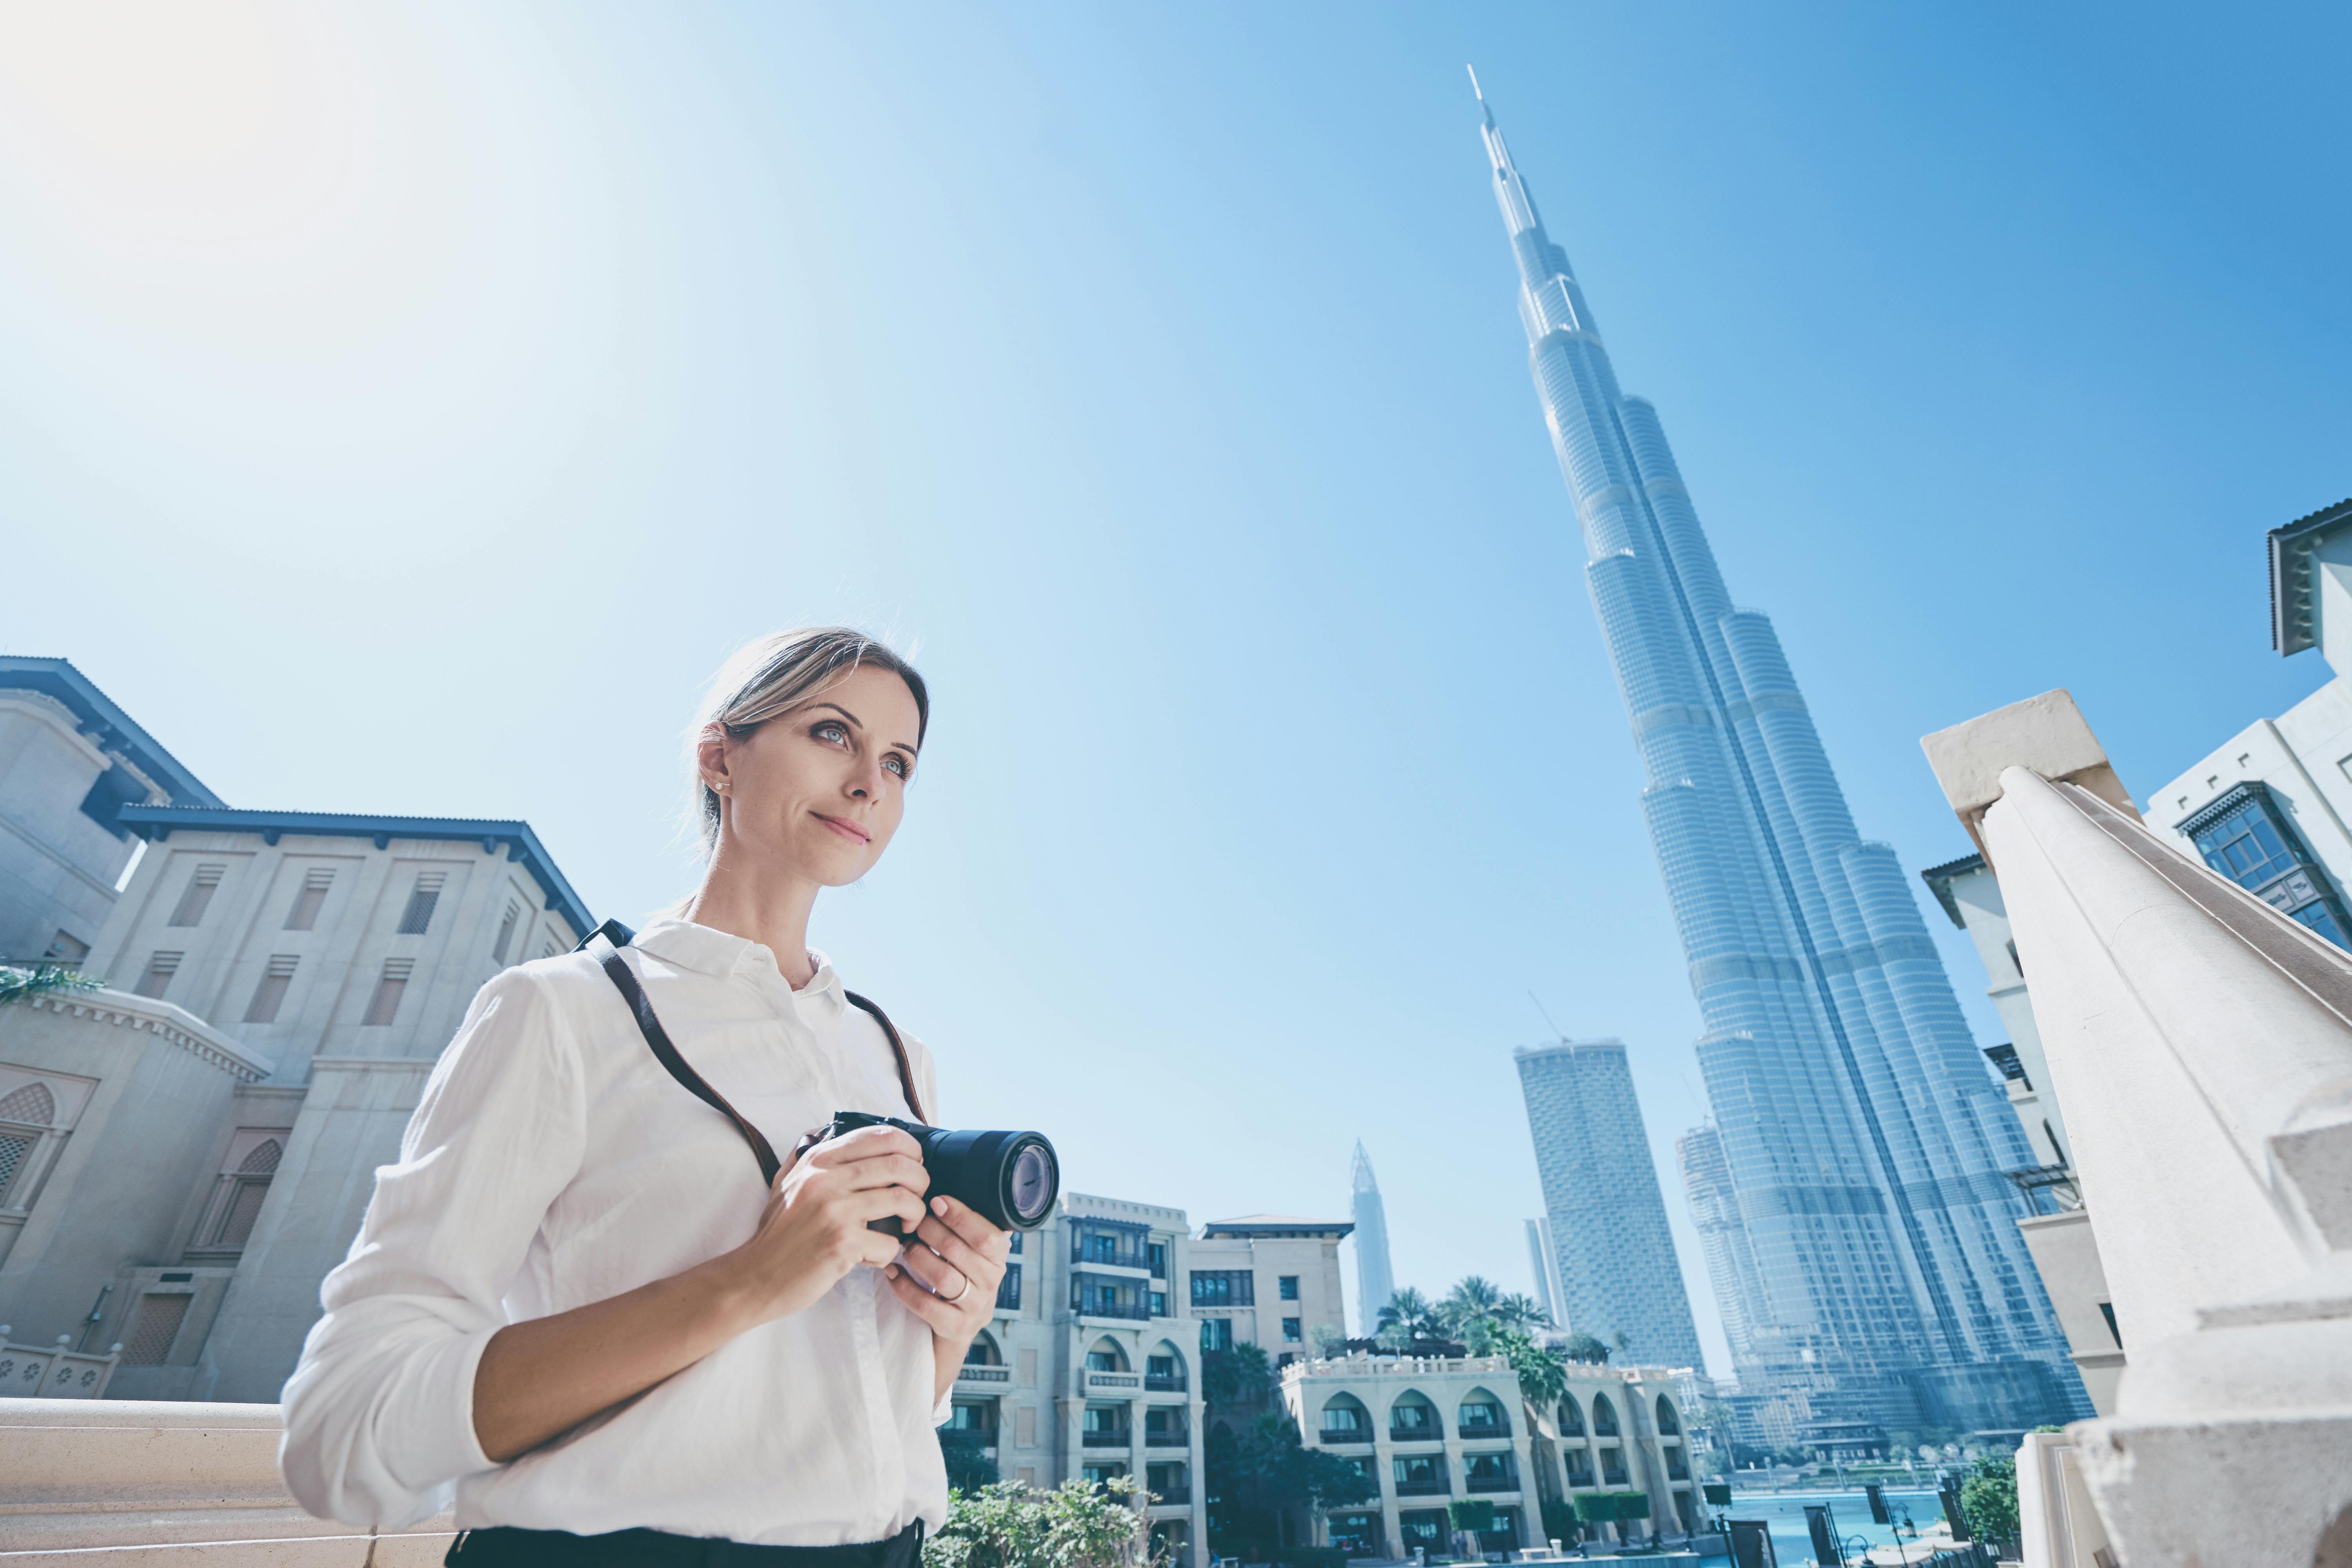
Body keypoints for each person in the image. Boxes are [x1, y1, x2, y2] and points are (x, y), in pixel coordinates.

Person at [281, 628, 1011, 1566]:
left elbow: (878, 1403)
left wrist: (948, 1321)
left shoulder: (896, 1055)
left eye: (900, 761)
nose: (872, 781)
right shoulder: (561, 1010)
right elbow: (344, 1433)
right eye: (833, 733)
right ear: (718, 757)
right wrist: (751, 1278)